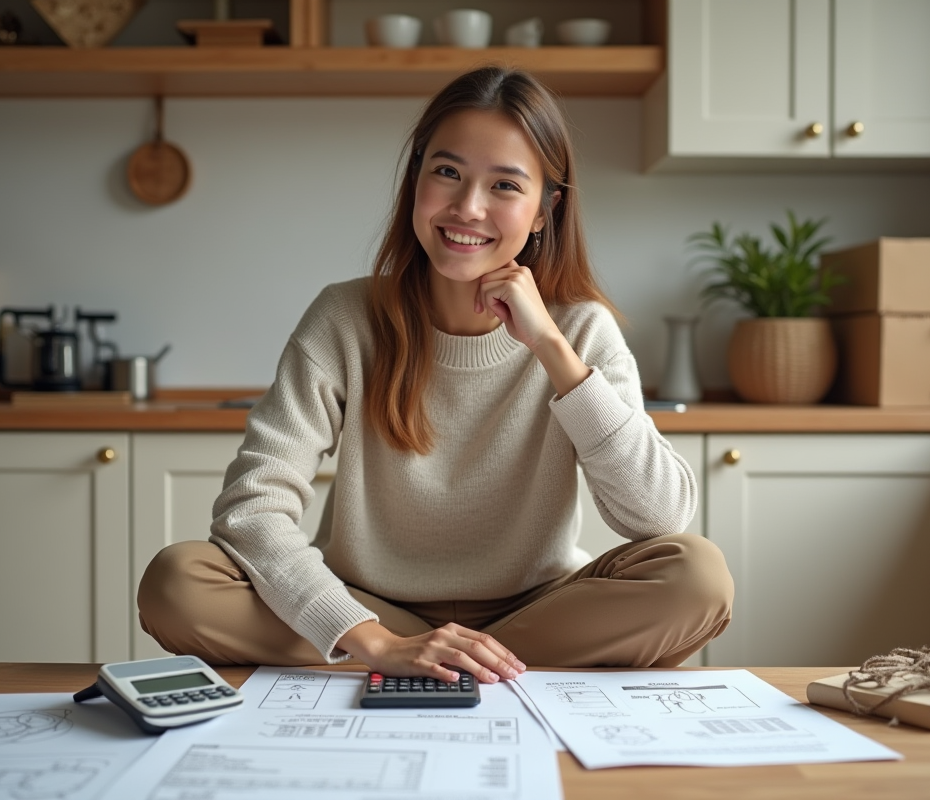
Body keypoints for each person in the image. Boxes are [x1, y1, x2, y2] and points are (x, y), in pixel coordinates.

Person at [138, 66, 734, 686]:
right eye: (447, 172)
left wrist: (552, 350)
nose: (468, 208)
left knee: (697, 575)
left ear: (543, 210)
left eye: (505, 185)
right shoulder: (345, 317)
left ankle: (463, 660)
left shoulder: (579, 331)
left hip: (538, 608)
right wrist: (376, 641)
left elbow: (660, 519)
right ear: (415, 178)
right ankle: (453, 662)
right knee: (177, 581)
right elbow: (250, 509)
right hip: (372, 609)